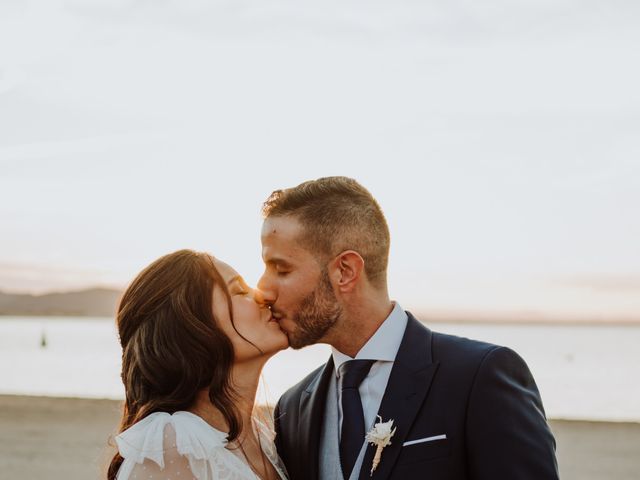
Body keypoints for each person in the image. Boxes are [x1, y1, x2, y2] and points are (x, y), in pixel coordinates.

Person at [257, 177, 559, 480]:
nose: (263, 288)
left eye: (281, 269)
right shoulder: (293, 408)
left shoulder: (479, 378)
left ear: (345, 271)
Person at [107, 249, 289, 480]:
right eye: (239, 290)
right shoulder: (174, 448)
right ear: (192, 327)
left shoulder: (264, 439)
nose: (262, 296)